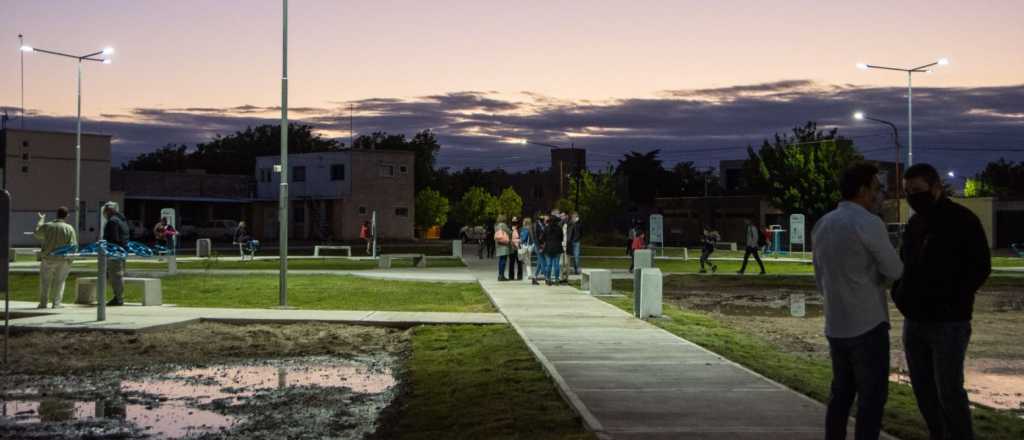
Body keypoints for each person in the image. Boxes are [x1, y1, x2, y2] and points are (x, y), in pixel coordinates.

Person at [892, 163, 991, 440]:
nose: (912, 196)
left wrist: (954, 299)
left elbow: (980, 267)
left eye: (917, 190)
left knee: (948, 390)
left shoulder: (963, 220)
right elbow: (905, 265)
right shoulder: (915, 224)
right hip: (915, 320)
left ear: (936, 188)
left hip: (949, 322)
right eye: (908, 191)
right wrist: (901, 295)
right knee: (923, 389)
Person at [812, 163, 903, 440]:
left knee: (840, 396)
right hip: (868, 324)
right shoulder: (868, 222)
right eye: (877, 188)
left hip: (836, 324)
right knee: (871, 400)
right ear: (863, 190)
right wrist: (878, 279)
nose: (880, 194)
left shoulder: (823, 224)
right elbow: (895, 269)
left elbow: (820, 277)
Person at [33, 206, 77, 309]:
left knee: (45, 281)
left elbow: (37, 233)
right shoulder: (69, 228)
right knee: (60, 281)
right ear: (67, 216)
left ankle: (43, 303)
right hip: (63, 258)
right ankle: (56, 303)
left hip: (48, 258)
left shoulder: (48, 226)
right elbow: (73, 246)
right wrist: (71, 260)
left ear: (56, 214)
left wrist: (41, 220)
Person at [102, 202, 130, 306]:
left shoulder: (112, 221)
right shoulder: (122, 220)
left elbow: (114, 238)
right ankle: (118, 297)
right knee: (117, 275)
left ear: (110, 210)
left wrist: (107, 247)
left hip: (114, 252)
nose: (104, 213)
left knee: (115, 276)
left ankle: (118, 298)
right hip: (122, 252)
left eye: (105, 210)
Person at [542, 212, 564, 285]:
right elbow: (562, 238)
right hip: (557, 247)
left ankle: (548, 278)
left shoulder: (546, 228)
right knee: (556, 264)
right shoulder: (559, 228)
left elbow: (542, 238)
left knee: (549, 264)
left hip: (548, 248)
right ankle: (557, 279)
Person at [494, 215, 512, 281]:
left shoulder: (496, 225)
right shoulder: (503, 225)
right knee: (503, 260)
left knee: (500, 260)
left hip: (498, 244)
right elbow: (509, 232)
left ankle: (500, 275)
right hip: (504, 244)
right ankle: (502, 276)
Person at [532, 214, 548, 285]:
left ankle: (534, 277)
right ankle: (546, 278)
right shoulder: (537, 225)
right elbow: (536, 237)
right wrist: (540, 247)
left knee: (540, 262)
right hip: (539, 246)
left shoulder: (541, 225)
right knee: (543, 262)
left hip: (541, 245)